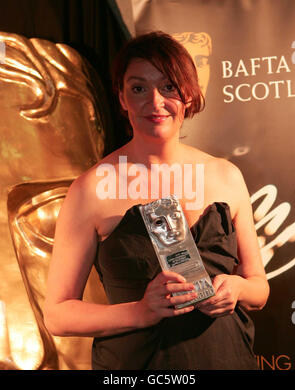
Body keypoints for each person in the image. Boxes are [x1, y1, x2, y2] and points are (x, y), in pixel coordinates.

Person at [44, 31, 270, 370]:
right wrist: (140, 311)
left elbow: (259, 289)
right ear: (121, 97)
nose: (155, 101)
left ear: (190, 94)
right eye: (138, 88)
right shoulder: (90, 189)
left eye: (169, 87)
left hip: (227, 358)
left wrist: (236, 288)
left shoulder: (226, 176)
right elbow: (58, 315)